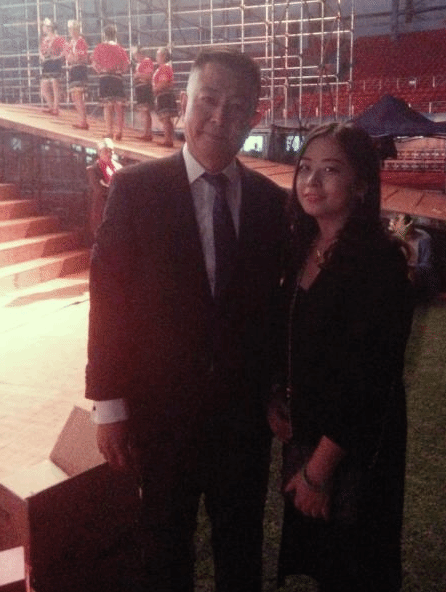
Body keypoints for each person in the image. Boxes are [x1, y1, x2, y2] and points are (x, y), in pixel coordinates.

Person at [86, 50, 287, 592]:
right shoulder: (136, 189)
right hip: (161, 414)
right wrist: (109, 405)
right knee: (164, 548)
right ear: (184, 104)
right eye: (208, 101)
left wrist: (278, 388)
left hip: (243, 421)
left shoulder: (271, 204)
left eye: (237, 107)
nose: (220, 118)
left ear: (254, 115)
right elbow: (109, 298)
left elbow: (275, 311)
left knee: (240, 550)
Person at [268, 123, 413, 592]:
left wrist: (319, 470)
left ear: (361, 185)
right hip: (308, 435)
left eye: (330, 170)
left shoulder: (380, 261)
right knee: (322, 563)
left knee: (355, 567)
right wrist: (277, 397)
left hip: (353, 448)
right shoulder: (302, 247)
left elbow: (371, 377)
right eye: (305, 168)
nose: (311, 182)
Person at [91, 25, 130, 141]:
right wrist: (119, 70)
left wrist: (101, 70)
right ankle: (120, 131)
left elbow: (94, 63)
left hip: (105, 77)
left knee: (107, 105)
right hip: (117, 78)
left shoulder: (100, 47)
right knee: (119, 105)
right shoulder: (120, 48)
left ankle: (109, 131)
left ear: (104, 34)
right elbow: (126, 65)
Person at [390, 213, 439, 301]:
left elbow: (427, 265)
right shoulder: (394, 238)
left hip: (416, 275)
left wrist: (411, 269)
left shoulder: (423, 239)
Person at [86, 138, 122, 238]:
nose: (109, 154)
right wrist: (114, 190)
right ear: (99, 153)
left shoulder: (119, 168)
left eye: (111, 151)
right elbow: (99, 190)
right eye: (105, 151)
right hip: (101, 209)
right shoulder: (93, 170)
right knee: (101, 236)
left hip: (117, 209)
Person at [65, 20, 90, 130]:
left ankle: (83, 121)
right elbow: (68, 57)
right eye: (70, 29)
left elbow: (79, 57)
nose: (71, 31)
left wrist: (72, 57)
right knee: (74, 96)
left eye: (73, 29)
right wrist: (71, 57)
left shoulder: (81, 41)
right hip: (74, 69)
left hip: (79, 69)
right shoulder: (72, 42)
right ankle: (81, 120)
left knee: (78, 95)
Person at [39, 18, 66, 115]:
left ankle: (56, 108)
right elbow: (41, 50)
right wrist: (42, 57)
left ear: (49, 28)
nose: (43, 28)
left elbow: (65, 49)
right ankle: (51, 106)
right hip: (47, 63)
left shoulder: (58, 38)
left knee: (55, 86)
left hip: (55, 63)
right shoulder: (45, 39)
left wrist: (57, 56)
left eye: (44, 26)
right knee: (44, 87)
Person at [153, 46, 176, 147]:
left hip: (164, 95)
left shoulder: (164, 68)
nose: (156, 57)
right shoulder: (163, 68)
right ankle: (169, 139)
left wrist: (154, 89)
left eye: (158, 55)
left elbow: (164, 82)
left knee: (165, 118)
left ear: (163, 56)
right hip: (163, 95)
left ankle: (168, 139)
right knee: (166, 119)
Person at [133, 46, 155, 141]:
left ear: (140, 54)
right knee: (143, 111)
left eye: (136, 55)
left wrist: (139, 75)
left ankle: (147, 133)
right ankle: (146, 132)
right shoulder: (140, 63)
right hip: (140, 88)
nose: (135, 57)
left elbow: (149, 76)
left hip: (145, 89)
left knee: (145, 111)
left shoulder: (147, 61)